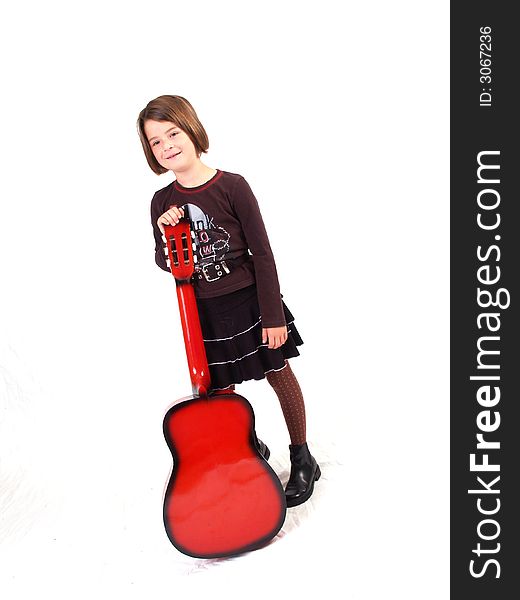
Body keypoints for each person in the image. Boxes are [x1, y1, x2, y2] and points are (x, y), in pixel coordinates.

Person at [137, 95, 320, 507]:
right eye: (155, 142)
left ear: (191, 131)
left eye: (173, 134)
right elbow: (166, 264)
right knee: (223, 392)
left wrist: (273, 316)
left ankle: (303, 456)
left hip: (251, 303)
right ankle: (247, 452)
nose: (166, 146)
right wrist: (168, 231)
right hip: (205, 313)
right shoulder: (161, 202)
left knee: (279, 374)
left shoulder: (232, 185)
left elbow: (263, 253)